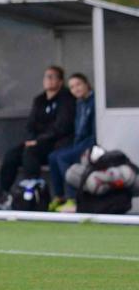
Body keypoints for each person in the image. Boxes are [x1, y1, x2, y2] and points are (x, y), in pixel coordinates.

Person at [0, 65, 75, 208]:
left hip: (54, 143)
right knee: (11, 155)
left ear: (60, 81)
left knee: (30, 153)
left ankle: (33, 194)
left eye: (51, 77)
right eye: (45, 77)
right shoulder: (39, 100)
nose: (47, 80)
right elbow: (31, 124)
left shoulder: (66, 99)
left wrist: (39, 140)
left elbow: (61, 127)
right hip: (35, 141)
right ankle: (3, 195)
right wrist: (32, 139)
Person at [47, 73, 95, 211]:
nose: (76, 89)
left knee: (64, 157)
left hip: (92, 143)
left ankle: (73, 199)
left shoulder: (95, 101)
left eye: (78, 84)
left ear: (87, 84)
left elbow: (94, 132)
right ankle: (59, 196)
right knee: (53, 156)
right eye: (72, 87)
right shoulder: (79, 103)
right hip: (80, 142)